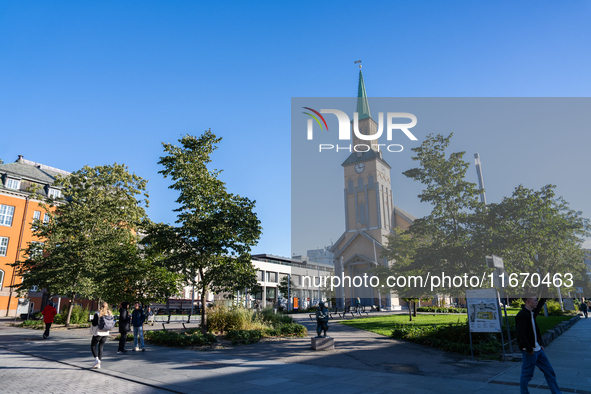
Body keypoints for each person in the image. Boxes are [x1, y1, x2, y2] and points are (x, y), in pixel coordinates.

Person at [516, 297, 562, 394]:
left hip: (538, 350)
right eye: (535, 300)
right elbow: (521, 333)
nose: (537, 302)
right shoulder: (522, 314)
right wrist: (529, 348)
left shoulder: (531, 313)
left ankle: (556, 392)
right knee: (526, 375)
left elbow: (534, 330)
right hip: (530, 352)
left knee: (549, 371)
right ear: (528, 301)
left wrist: (539, 344)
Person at [90, 302, 112, 369]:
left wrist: (92, 320)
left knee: (93, 346)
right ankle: (99, 363)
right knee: (101, 347)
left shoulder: (98, 313)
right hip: (106, 332)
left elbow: (94, 324)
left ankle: (97, 360)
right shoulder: (109, 313)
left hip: (99, 332)